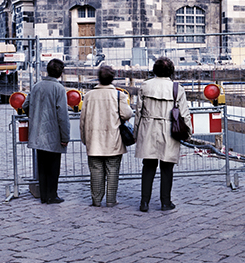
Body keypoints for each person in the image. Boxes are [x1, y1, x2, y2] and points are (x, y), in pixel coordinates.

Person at [135, 56, 189, 212]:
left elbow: (138, 112)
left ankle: (144, 202)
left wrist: (136, 132)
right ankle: (165, 202)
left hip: (148, 127)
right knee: (167, 167)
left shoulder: (145, 86)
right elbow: (184, 114)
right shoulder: (177, 88)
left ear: (154, 70)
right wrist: (188, 133)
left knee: (148, 166)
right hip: (169, 128)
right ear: (171, 71)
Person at [80, 64, 133, 207]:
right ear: (112, 78)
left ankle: (96, 200)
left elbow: (83, 119)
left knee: (96, 171)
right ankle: (111, 200)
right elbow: (127, 114)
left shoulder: (89, 95)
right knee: (113, 170)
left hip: (94, 140)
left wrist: (85, 138)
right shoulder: (118, 95)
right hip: (113, 139)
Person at [25, 58, 70, 204]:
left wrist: (34, 116)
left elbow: (26, 105)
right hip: (54, 134)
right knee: (53, 167)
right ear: (60, 73)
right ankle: (52, 195)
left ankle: (44, 195)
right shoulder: (59, 89)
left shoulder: (37, 86)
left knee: (42, 166)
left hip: (38, 132)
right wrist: (65, 136)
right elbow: (62, 115)